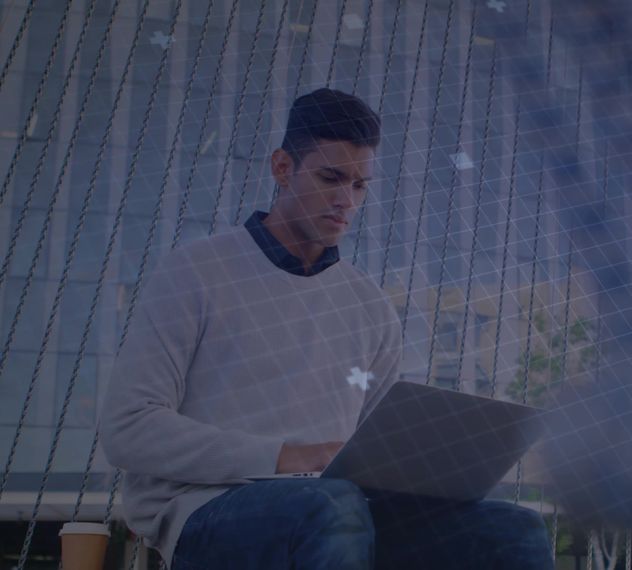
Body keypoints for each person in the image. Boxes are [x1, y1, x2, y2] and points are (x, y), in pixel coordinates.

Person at [100, 88, 553, 569]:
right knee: (332, 506)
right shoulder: (195, 273)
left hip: (339, 513)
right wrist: (288, 457)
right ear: (282, 168)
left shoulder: (370, 307)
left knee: (512, 531)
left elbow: (376, 453)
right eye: (330, 178)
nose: (345, 200)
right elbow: (128, 429)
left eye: (359, 185)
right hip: (207, 510)